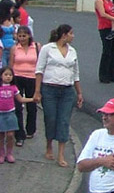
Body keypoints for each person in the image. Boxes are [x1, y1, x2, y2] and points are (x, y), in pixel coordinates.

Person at [34, 24, 84, 167]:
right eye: (71, 33)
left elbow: (76, 74)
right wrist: (37, 91)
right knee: (50, 118)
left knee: (64, 120)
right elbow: (39, 70)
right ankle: (49, 144)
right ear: (64, 35)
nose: (73, 36)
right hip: (49, 89)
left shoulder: (73, 51)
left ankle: (61, 153)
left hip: (67, 91)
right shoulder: (48, 49)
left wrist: (79, 92)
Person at [10, 25, 39, 146]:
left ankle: (30, 130)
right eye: (20, 36)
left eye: (24, 36)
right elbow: (11, 65)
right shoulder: (14, 48)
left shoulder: (36, 47)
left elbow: (40, 63)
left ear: (29, 36)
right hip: (17, 77)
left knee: (32, 104)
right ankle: (19, 134)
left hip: (32, 77)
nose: (22, 38)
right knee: (17, 106)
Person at [0, 67, 34, 163]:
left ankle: (9, 153)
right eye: (6, 75)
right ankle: (1, 153)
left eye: (10, 75)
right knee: (1, 135)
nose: (8, 77)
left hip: (10, 114)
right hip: (0, 114)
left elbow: (21, 99)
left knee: (10, 135)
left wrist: (32, 99)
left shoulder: (13, 88)